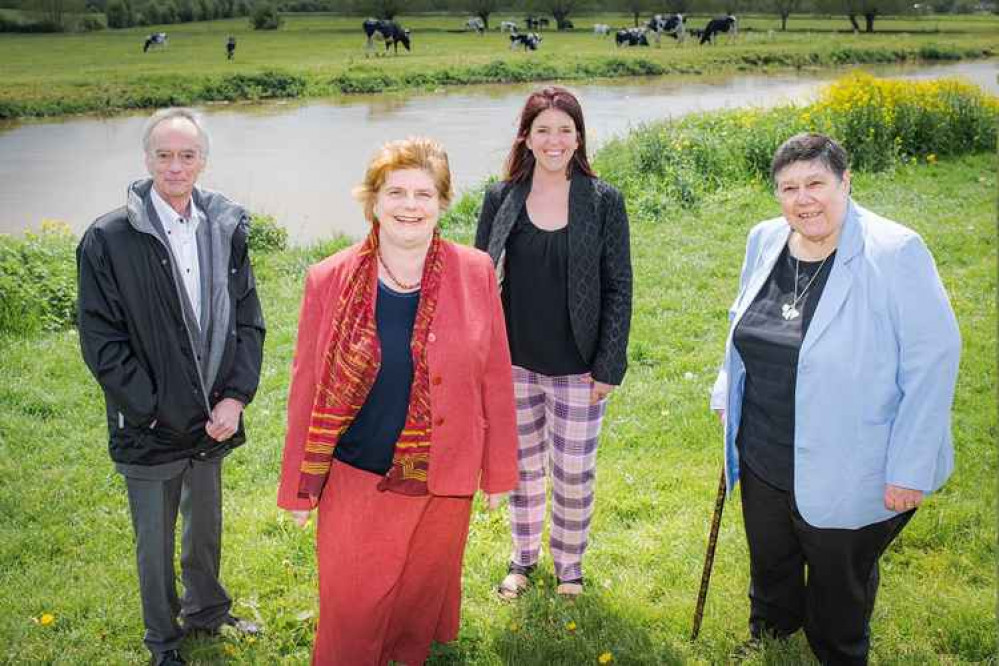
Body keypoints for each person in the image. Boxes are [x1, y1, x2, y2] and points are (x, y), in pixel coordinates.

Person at [710, 133, 960, 665]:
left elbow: (932, 362)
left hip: (853, 458)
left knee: (837, 573)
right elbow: (742, 327)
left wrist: (909, 468)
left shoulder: (895, 252)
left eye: (816, 184)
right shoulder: (765, 239)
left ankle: (838, 651)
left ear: (846, 182)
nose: (804, 200)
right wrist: (724, 392)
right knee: (771, 558)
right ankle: (771, 635)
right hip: (765, 449)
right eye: (789, 187)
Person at [277, 137, 519, 665]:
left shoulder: (475, 271)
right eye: (397, 192)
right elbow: (306, 386)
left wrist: (499, 472)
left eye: (424, 194)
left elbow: (494, 376)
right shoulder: (328, 279)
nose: (410, 206)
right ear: (374, 200)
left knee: (414, 610)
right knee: (351, 615)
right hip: (356, 477)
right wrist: (299, 487)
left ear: (442, 203)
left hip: (441, 480)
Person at [76, 107, 266, 666]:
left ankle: (207, 610)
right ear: (147, 159)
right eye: (164, 155)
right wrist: (152, 409)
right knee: (154, 541)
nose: (175, 166)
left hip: (213, 415)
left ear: (202, 160)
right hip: (150, 422)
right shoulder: (108, 238)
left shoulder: (225, 227)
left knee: (204, 523)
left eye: (187, 155)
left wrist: (234, 397)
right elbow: (101, 339)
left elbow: (248, 319)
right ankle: (163, 640)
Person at [475, 86, 633, 599]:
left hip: (580, 368)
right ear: (526, 136)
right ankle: (522, 560)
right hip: (514, 364)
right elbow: (478, 279)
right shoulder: (501, 198)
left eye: (565, 129)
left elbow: (619, 285)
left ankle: (569, 566)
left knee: (572, 474)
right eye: (543, 129)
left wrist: (609, 364)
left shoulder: (603, 200)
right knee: (522, 470)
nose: (554, 140)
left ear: (579, 136)